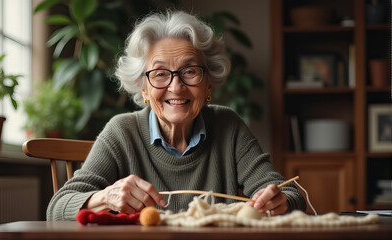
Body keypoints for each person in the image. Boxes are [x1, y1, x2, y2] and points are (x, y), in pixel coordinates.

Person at [47, 10, 306, 221]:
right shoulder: (121, 132)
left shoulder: (229, 126)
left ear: (209, 84)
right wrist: (105, 197)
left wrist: (277, 200)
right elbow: (57, 208)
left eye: (190, 71)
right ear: (143, 87)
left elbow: (290, 194)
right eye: (160, 74)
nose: (176, 87)